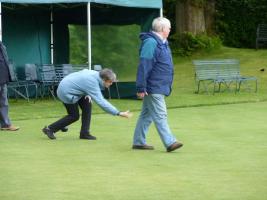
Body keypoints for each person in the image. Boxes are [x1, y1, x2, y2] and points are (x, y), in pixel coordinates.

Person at [132, 17, 183, 152]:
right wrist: (141, 87)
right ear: (162, 29)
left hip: (158, 85)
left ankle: (138, 141)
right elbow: (144, 65)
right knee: (161, 114)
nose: (170, 30)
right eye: (169, 27)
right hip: (153, 86)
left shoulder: (162, 42)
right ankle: (170, 142)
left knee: (146, 115)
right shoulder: (150, 43)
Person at [42, 68, 132, 140]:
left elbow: (83, 80)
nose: (111, 84)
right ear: (104, 79)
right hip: (65, 92)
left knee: (87, 104)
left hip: (75, 90)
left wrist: (88, 93)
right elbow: (101, 101)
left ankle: (84, 133)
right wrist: (118, 113)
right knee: (74, 116)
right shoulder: (92, 82)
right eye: (110, 82)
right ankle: (50, 129)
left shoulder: (97, 75)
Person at [0, 41, 19, 131]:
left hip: (3, 78)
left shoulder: (2, 45)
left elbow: (5, 62)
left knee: (4, 103)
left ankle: (5, 124)